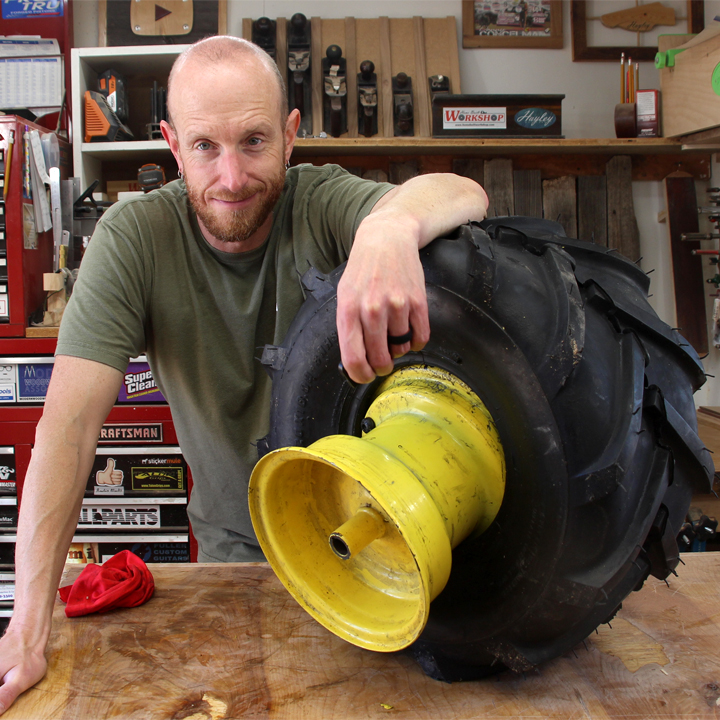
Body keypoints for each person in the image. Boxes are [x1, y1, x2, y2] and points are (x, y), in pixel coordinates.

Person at [0, 36, 488, 713]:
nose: (231, 177)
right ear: (172, 143)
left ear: (291, 136)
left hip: (384, 553)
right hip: (232, 564)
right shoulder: (133, 237)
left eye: (254, 142)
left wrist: (390, 228)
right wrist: (28, 622)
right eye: (205, 146)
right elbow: (68, 429)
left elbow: (462, 191)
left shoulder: (319, 204)